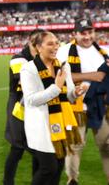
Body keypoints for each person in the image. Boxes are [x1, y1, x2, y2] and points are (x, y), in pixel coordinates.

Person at [20, 30, 85, 185]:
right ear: (38, 47)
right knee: (48, 168)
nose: (55, 46)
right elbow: (30, 100)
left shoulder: (63, 66)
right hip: (40, 128)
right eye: (50, 43)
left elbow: (68, 96)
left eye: (57, 43)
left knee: (58, 167)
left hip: (60, 125)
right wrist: (55, 87)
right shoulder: (29, 69)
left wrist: (75, 93)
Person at [57, 18, 109, 185]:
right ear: (75, 34)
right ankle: (72, 179)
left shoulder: (102, 51)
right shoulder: (64, 51)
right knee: (75, 147)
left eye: (90, 32)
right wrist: (93, 76)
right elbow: (59, 77)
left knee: (107, 147)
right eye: (83, 33)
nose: (87, 37)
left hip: (100, 106)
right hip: (75, 107)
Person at [4, 29, 43, 185]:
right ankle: (8, 182)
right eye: (35, 42)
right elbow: (27, 81)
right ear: (29, 41)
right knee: (17, 148)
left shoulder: (42, 58)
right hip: (18, 107)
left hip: (36, 106)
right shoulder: (17, 59)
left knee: (38, 149)